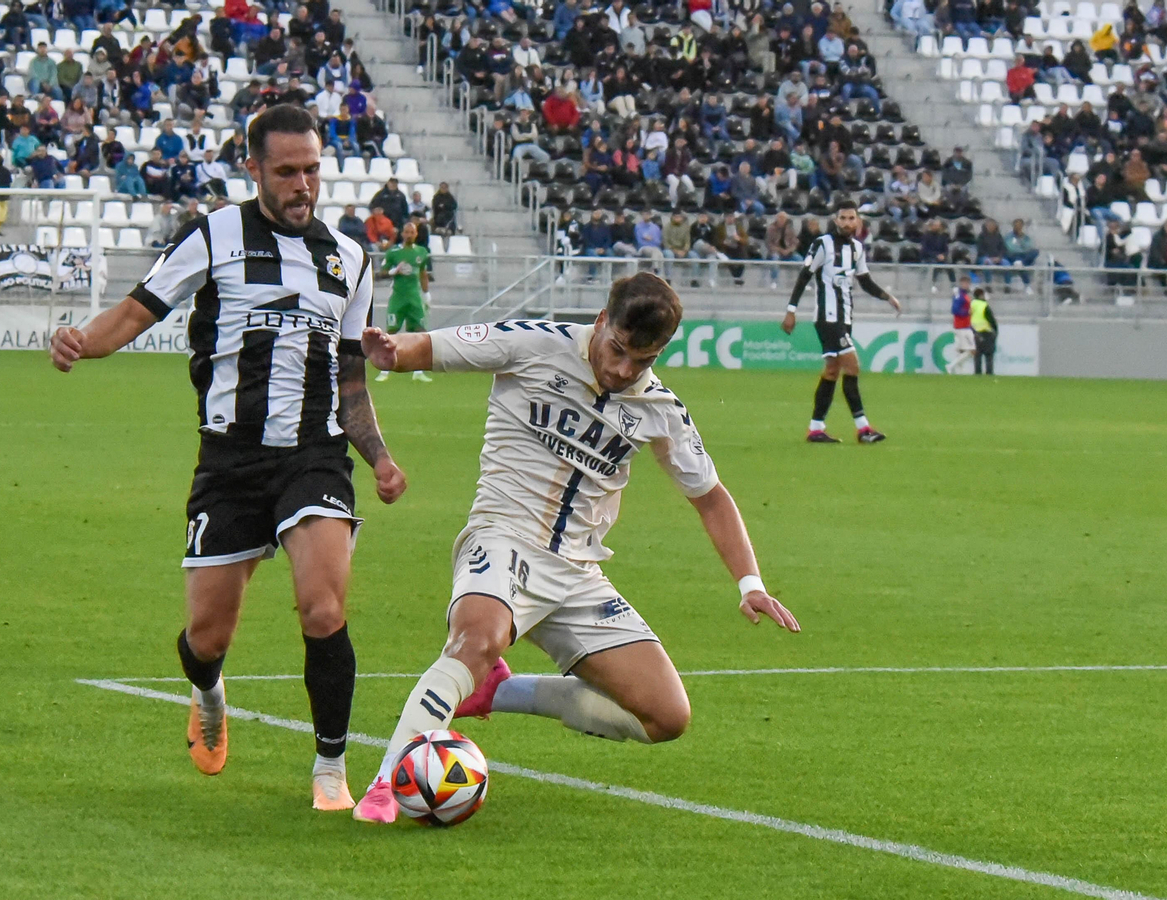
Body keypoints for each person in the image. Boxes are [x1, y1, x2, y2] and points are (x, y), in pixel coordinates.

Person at [45, 104, 407, 809]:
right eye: (287, 172)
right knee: (208, 635)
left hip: (315, 454)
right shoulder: (214, 235)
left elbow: (352, 374)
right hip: (231, 460)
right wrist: (81, 341)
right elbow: (137, 309)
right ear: (254, 170)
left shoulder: (350, 257)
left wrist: (380, 458)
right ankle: (208, 691)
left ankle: (331, 769)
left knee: (323, 607)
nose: (304, 185)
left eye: (312, 170)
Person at [351, 273, 801, 824]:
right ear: (601, 322)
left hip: (578, 576)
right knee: (477, 640)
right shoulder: (535, 342)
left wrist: (749, 584)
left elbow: (710, 498)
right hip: (502, 538)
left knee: (665, 717)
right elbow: (434, 348)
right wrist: (393, 354)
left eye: (643, 359)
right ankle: (386, 783)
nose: (622, 370)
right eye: (617, 350)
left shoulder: (660, 409)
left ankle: (501, 692)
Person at [781, 201, 903, 443]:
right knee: (853, 366)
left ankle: (815, 429)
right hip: (828, 318)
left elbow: (865, 281)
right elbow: (804, 275)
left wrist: (887, 297)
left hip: (845, 317)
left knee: (832, 370)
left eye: (851, 218)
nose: (848, 223)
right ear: (836, 220)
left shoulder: (857, 248)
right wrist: (791, 310)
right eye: (843, 218)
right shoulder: (823, 245)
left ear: (858, 221)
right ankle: (863, 428)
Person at [375, 221, 433, 384]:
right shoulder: (394, 252)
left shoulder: (422, 252)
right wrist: (394, 271)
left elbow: (423, 274)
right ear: (402, 234)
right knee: (391, 332)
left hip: (414, 297)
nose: (408, 235)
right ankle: (385, 370)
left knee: (420, 333)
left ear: (416, 234)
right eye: (406, 232)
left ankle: (418, 371)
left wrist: (427, 294)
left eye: (411, 232)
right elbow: (382, 272)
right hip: (398, 297)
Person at [946, 275, 977, 374]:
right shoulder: (959, 295)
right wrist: (967, 312)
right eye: (965, 283)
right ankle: (950, 366)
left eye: (968, 283)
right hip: (962, 327)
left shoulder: (965, 295)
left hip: (965, 326)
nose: (967, 285)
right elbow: (954, 310)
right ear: (961, 283)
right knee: (972, 350)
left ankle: (960, 372)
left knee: (961, 351)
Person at [969, 287, 998, 375]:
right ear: (981, 295)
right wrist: (995, 330)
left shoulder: (972, 304)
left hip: (975, 332)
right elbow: (991, 319)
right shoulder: (984, 305)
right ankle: (989, 373)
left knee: (977, 355)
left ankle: (977, 373)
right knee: (989, 355)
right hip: (986, 331)